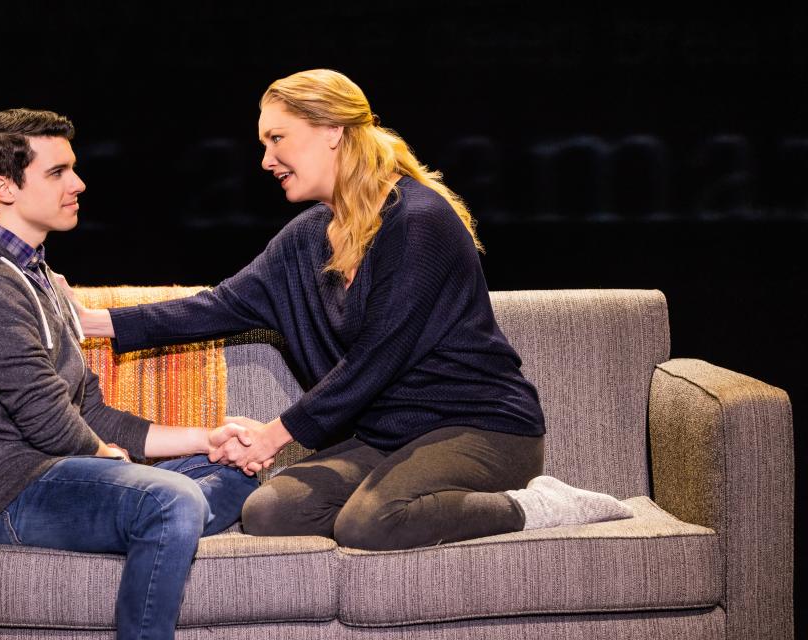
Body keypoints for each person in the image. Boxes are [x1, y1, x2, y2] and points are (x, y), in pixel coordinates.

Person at [71, 69, 634, 551]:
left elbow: (378, 357)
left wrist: (275, 435)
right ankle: (401, 495)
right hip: (390, 436)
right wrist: (88, 319)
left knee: (371, 523)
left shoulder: (418, 222)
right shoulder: (307, 238)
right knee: (272, 512)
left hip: (480, 430)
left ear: (332, 132)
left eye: (277, 139)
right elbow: (218, 306)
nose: (265, 160)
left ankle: (541, 507)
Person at [0, 108, 258, 640]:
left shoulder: (35, 275)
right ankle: (160, 526)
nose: (78, 183)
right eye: (57, 173)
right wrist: (108, 457)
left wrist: (206, 437)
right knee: (172, 500)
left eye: (72, 168)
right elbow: (47, 417)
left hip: (65, 474)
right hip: (12, 492)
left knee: (235, 471)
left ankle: (155, 524)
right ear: (3, 187)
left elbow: (90, 410)